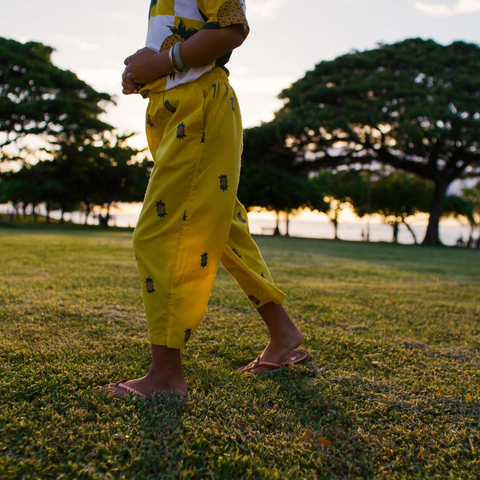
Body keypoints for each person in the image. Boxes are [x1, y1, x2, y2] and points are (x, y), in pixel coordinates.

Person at [99, 0, 307, 398]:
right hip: (175, 109)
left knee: (160, 235)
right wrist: (144, 76)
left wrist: (160, 65)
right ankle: (283, 334)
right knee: (222, 227)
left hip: (199, 107)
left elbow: (232, 29)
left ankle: (166, 376)